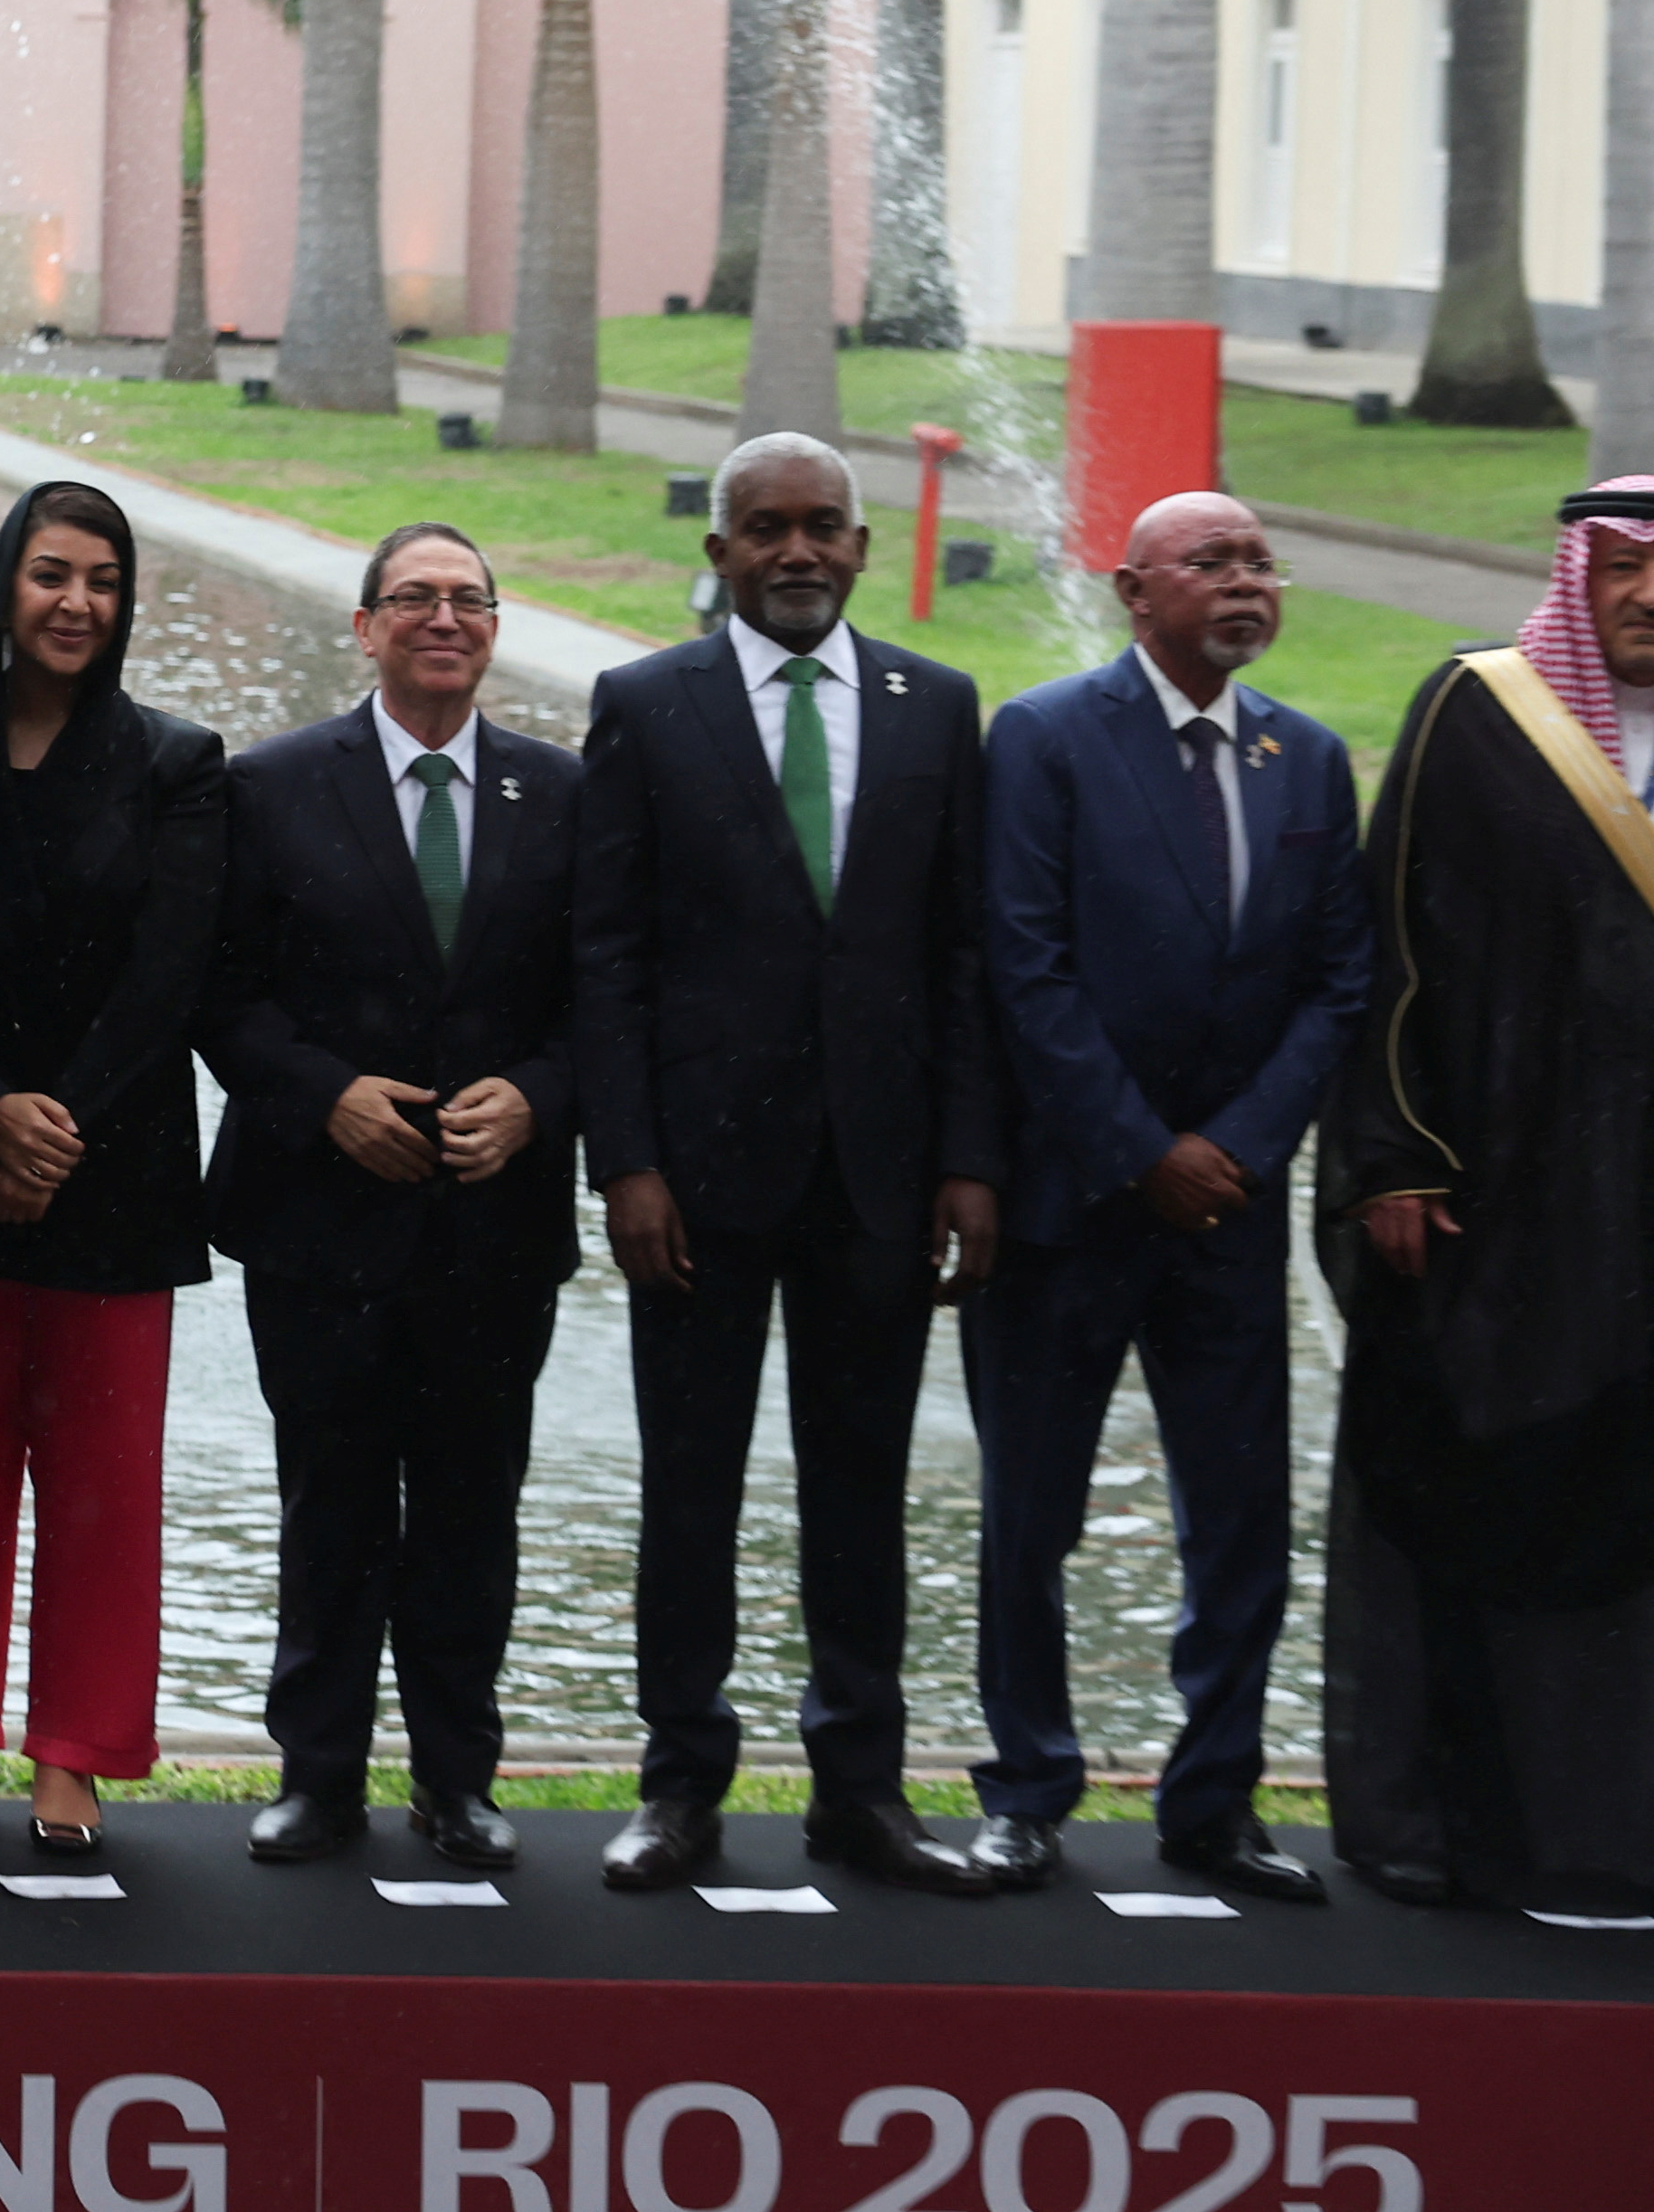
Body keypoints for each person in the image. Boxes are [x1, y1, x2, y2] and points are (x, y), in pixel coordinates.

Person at [575, 430, 1003, 1897]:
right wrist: (624, 1160)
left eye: (825, 526)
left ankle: (861, 1795)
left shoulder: (939, 709)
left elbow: (961, 958)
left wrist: (968, 1161)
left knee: (861, 1493)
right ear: (721, 551)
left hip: (879, 1178)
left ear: (863, 547)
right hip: (694, 1182)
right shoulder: (646, 704)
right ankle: (681, 1782)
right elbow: (608, 955)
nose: (799, 551)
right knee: (689, 1489)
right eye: (768, 528)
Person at [965, 493, 1364, 1903]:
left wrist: (1238, 1149)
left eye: (1260, 560)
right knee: (1032, 1511)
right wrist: (1145, 1149)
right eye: (1214, 563)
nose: (1245, 583)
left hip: (1230, 1216)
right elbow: (1025, 969)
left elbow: (1337, 987)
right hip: (1073, 1203)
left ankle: (1215, 1804)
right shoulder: (1046, 738)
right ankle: (1025, 1791)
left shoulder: (1307, 761)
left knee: (1241, 1513)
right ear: (1138, 593)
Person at [206, 520, 581, 1872]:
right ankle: (318, 1776)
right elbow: (221, 997)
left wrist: (541, 1093)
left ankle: (458, 1780)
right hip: (319, 1219)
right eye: (413, 598)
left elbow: (611, 999)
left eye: (468, 599)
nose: (443, 617)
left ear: (495, 626)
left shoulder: (567, 793)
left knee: (475, 1511)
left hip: (497, 1223)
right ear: (363, 627)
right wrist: (326, 1098)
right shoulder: (270, 787)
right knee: (333, 1505)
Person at [1315, 482, 1654, 1914]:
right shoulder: (1485, 713)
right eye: (1625, 571)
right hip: (1506, 1211)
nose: (1646, 597)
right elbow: (1391, 943)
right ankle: (1443, 1824)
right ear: (1582, 577)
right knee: (1480, 1480)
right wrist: (1396, 1155)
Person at [0, 479, 214, 1863]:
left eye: (104, 582)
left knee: (97, 1486)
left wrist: (58, 1123)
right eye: (51, 575)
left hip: (115, 1177)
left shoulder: (175, 762)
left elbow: (173, 973)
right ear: (4, 588)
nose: (78, 604)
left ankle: (73, 1755)